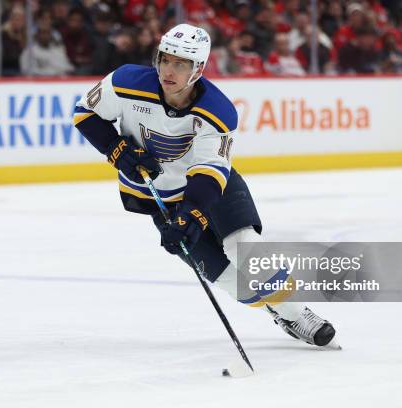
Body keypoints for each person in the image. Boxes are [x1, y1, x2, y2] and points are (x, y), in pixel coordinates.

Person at [73, 23, 338, 348]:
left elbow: (209, 172)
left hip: (211, 186)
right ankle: (274, 307)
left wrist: (192, 215)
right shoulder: (126, 82)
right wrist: (117, 149)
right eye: (165, 59)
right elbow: (85, 112)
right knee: (225, 276)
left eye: (180, 64)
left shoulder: (217, 110)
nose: (168, 70)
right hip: (159, 198)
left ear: (198, 69)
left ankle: (297, 313)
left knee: (246, 246)